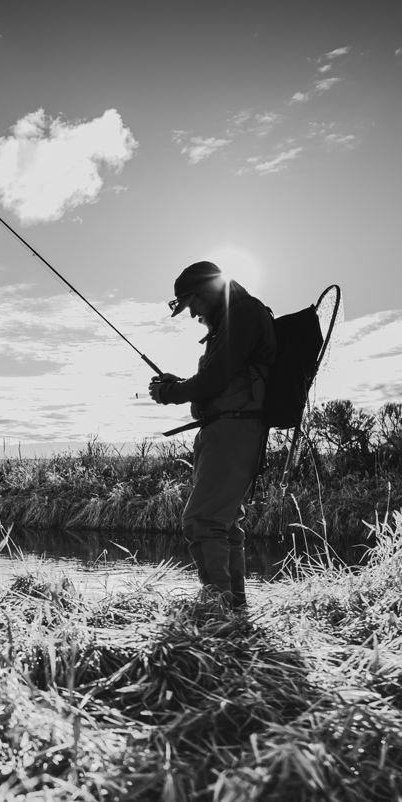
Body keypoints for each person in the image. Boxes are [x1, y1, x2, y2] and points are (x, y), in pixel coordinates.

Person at [148, 261, 277, 609]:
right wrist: (180, 385)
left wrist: (171, 393)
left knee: (202, 521)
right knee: (224, 524)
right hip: (227, 430)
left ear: (207, 292)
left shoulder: (243, 314)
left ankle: (215, 608)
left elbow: (216, 378)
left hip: (234, 432)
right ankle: (233, 606)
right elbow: (222, 379)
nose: (191, 315)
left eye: (191, 304)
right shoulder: (234, 318)